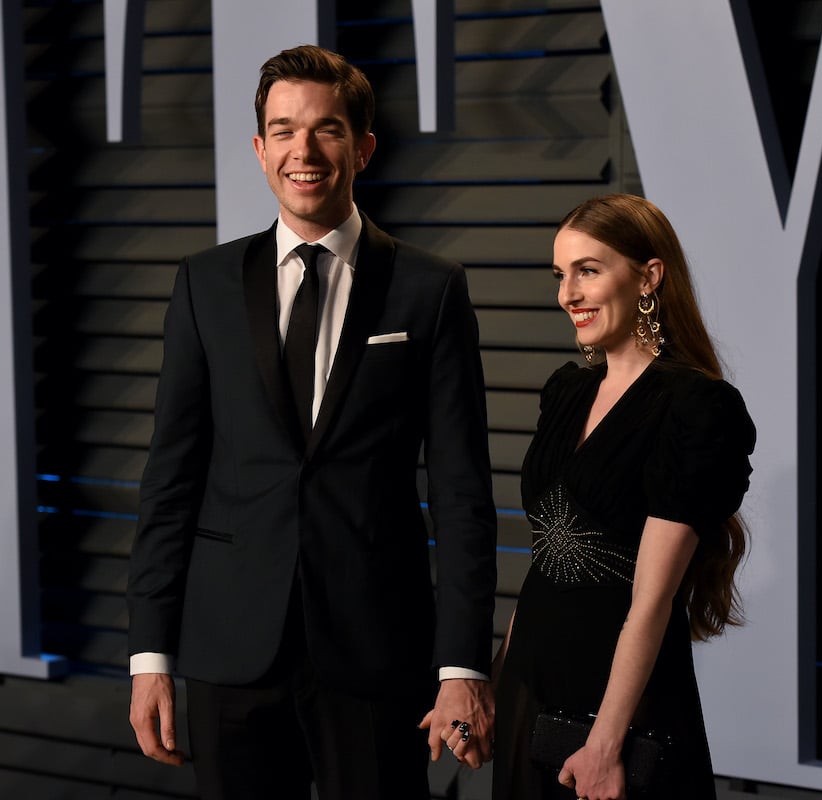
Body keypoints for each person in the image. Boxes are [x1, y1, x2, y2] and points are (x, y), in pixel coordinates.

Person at [126, 45, 498, 800]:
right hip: (230, 644)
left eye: (326, 130)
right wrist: (149, 657)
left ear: (361, 147)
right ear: (259, 149)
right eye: (283, 129)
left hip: (374, 647)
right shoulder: (204, 284)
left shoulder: (430, 289)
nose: (304, 150)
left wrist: (461, 667)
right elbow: (171, 477)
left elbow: (463, 494)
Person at [491, 194, 756, 800]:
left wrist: (607, 742)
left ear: (649, 277)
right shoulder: (565, 392)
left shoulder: (693, 408)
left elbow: (652, 602)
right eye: (561, 275)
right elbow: (545, 563)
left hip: (620, 716)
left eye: (588, 270)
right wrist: (494, 687)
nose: (568, 295)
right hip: (528, 691)